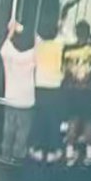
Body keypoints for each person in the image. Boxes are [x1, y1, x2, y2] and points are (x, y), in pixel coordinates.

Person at [62, 20, 91, 166]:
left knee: (73, 120)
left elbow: (63, 69)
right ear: (88, 33)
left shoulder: (68, 49)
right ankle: (90, 153)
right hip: (88, 91)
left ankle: (69, 153)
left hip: (72, 91)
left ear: (76, 33)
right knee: (89, 121)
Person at [28, 17, 66, 164]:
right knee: (54, 119)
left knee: (40, 116)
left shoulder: (38, 46)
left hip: (39, 86)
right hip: (55, 87)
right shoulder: (59, 45)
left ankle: (36, 146)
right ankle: (54, 148)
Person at [0, 20, 36, 162]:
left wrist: (12, 30)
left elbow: (5, 45)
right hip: (27, 101)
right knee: (23, 131)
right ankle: (18, 155)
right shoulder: (32, 56)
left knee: (8, 128)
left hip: (11, 99)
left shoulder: (8, 54)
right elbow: (40, 44)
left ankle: (5, 154)